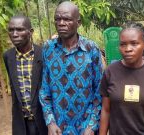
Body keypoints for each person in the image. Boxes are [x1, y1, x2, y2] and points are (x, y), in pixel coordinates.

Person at [39, 1, 103, 135]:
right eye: (57, 19)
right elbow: (45, 92)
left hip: (85, 129)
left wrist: (92, 126)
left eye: (67, 19)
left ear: (78, 22)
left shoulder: (91, 49)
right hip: (58, 129)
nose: (61, 23)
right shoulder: (48, 49)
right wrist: (50, 122)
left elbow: (99, 92)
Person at [99, 22, 144, 135]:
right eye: (123, 44)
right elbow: (106, 109)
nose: (128, 49)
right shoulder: (110, 72)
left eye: (134, 43)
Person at [3, 15, 47, 135]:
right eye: (11, 30)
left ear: (30, 32)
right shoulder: (8, 56)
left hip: (42, 121)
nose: (14, 34)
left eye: (19, 29)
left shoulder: (43, 54)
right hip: (21, 123)